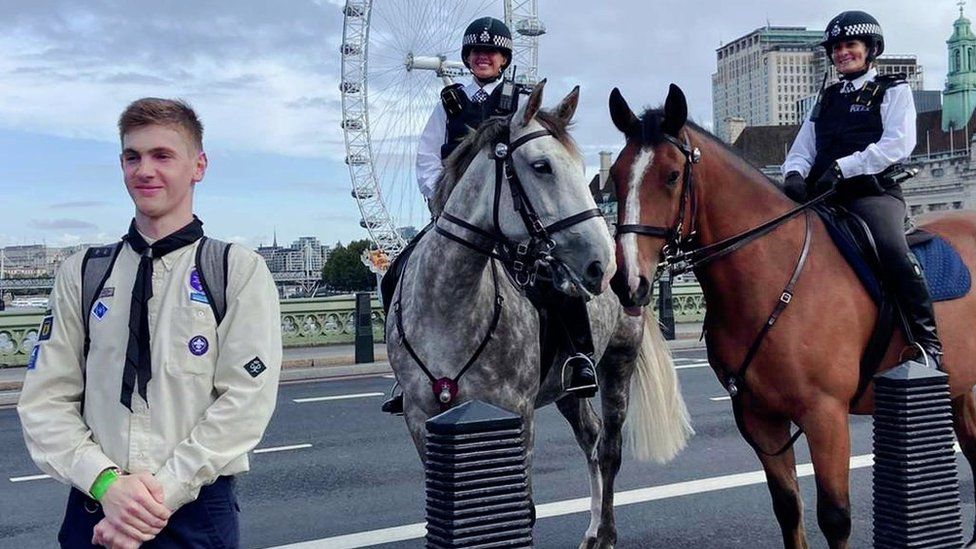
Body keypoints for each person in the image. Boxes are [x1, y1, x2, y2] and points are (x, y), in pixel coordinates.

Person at [18, 98, 282, 548]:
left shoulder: (236, 270)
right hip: (94, 509)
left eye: (162, 155)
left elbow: (244, 404)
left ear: (198, 166)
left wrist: (151, 502)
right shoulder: (81, 273)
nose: (145, 170)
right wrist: (107, 486)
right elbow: (44, 400)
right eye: (132, 156)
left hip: (195, 514)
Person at [380, 17, 597, 414]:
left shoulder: (520, 101)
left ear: (504, 59)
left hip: (510, 218)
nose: (484, 57)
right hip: (458, 216)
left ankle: (577, 357)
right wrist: (441, 198)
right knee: (398, 273)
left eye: (492, 52)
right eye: (477, 52)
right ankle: (405, 372)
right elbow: (428, 158)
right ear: (467, 58)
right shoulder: (450, 104)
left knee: (554, 279)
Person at [782, 11, 941, 368]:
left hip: (872, 195)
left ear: (870, 49)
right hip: (824, 197)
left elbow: (898, 144)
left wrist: (844, 167)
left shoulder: (892, 90)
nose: (842, 53)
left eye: (850, 45)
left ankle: (927, 340)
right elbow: (803, 148)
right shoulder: (825, 99)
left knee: (890, 247)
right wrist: (794, 173)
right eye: (836, 47)